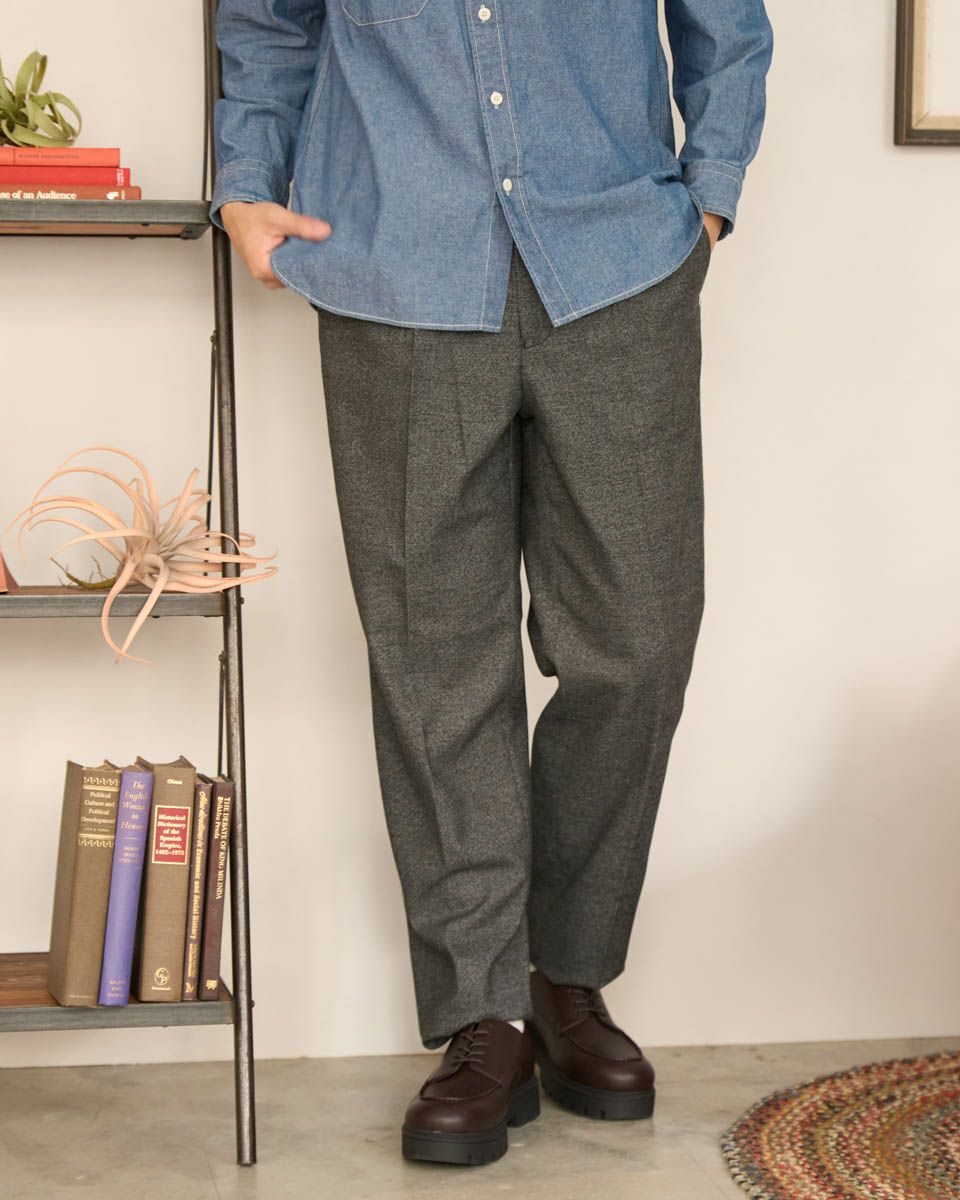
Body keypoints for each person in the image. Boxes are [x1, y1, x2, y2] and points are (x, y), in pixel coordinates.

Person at [210, 0, 773, 1168]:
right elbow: (267, 19)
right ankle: (485, 1012)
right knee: (435, 660)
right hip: (394, 265)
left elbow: (725, 16)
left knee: (640, 640)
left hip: (617, 262)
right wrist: (244, 185)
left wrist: (710, 191)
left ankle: (564, 970)